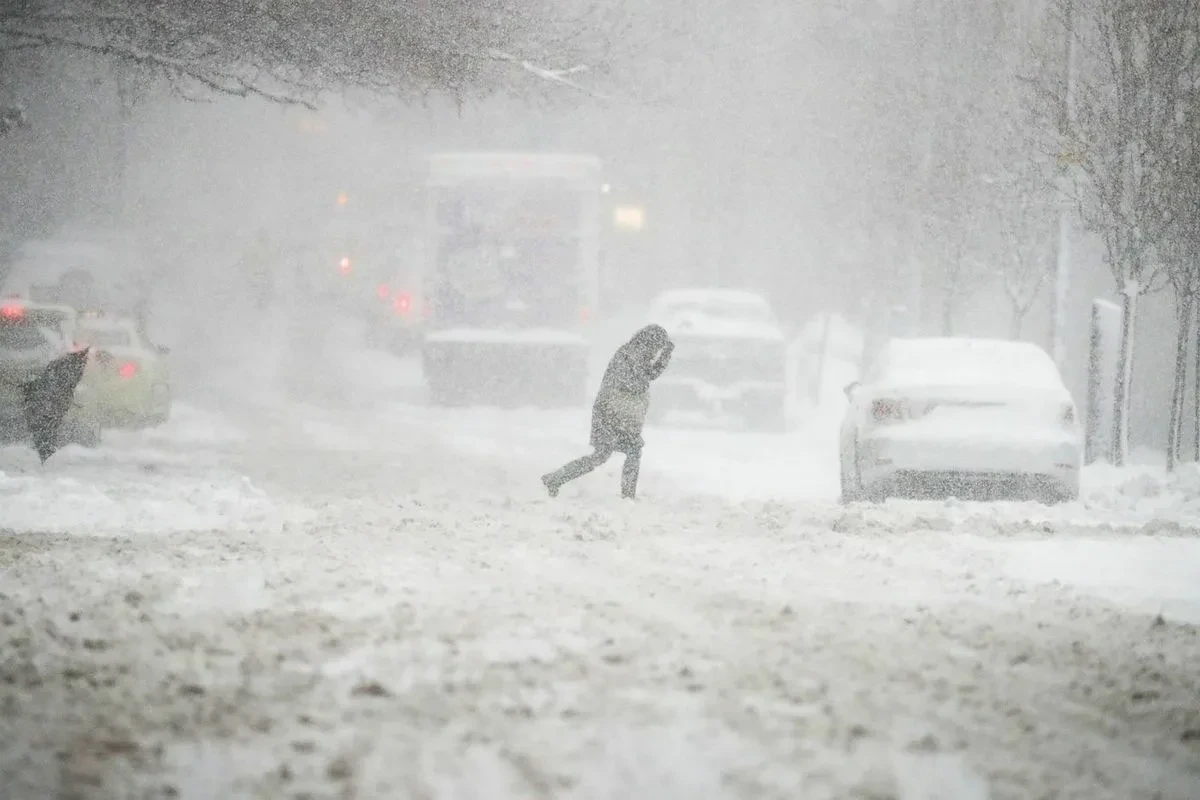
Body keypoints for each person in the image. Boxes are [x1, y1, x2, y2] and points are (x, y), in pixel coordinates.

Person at [542, 324, 675, 499]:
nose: (656, 351)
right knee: (604, 455)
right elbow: (639, 381)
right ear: (650, 342)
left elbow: (649, 375)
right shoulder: (628, 355)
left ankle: (557, 478)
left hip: (622, 416)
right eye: (657, 347)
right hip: (609, 415)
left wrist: (665, 356)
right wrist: (661, 358)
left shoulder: (637, 355)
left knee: (627, 451)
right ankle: (556, 478)